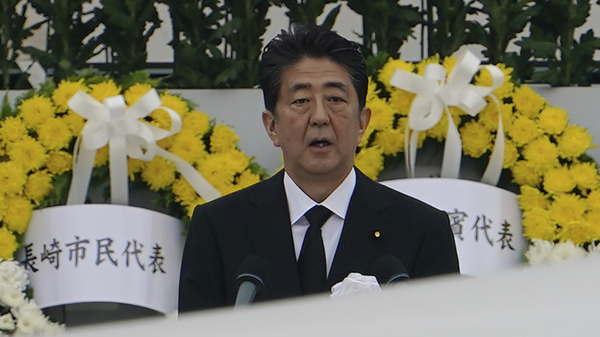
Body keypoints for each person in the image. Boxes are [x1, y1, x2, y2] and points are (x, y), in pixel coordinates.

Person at [178, 23, 459, 312]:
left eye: (335, 99)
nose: (320, 117)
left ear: (362, 123)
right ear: (271, 126)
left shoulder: (422, 231)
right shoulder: (219, 228)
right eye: (301, 101)